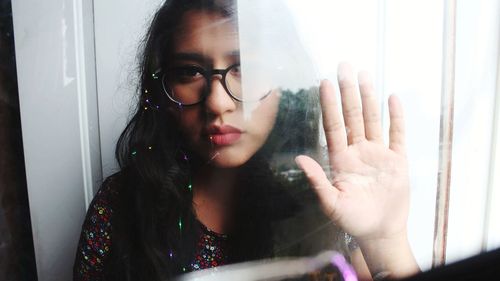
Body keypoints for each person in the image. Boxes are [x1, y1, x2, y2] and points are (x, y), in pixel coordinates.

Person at [74, 0, 419, 280]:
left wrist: (385, 240)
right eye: (189, 72)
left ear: (287, 83)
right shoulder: (121, 205)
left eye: (246, 69)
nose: (217, 103)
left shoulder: (332, 199)